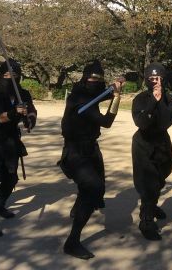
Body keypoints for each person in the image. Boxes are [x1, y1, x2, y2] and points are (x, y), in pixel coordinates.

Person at [58, 60, 123, 260]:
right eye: (91, 78)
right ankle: (72, 242)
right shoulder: (78, 98)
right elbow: (107, 122)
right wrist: (117, 97)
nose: (94, 81)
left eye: (98, 79)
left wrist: (116, 86)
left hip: (92, 150)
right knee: (93, 188)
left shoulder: (89, 94)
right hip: (75, 152)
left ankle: (79, 206)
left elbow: (99, 93)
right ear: (84, 77)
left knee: (97, 187)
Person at [0, 59, 37, 237]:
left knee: (11, 178)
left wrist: (30, 120)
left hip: (12, 141)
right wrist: (14, 113)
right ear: (0, 76)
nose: (11, 79)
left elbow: (32, 110)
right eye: (7, 75)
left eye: (15, 76)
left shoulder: (23, 93)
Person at [131, 63, 172, 241]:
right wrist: (152, 101)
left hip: (161, 142)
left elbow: (166, 121)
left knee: (160, 177)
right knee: (148, 183)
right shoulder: (140, 99)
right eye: (152, 78)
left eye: (159, 78)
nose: (156, 82)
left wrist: (160, 101)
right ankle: (146, 220)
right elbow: (141, 122)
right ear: (146, 80)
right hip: (143, 144)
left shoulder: (170, 99)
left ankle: (152, 204)